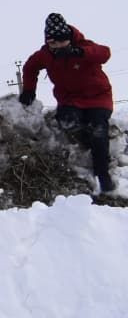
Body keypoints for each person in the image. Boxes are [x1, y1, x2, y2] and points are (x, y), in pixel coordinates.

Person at [19, 13, 116, 195]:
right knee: (67, 122)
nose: (60, 46)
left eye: (64, 42)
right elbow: (30, 67)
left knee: (98, 130)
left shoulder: (83, 46)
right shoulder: (45, 55)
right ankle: (88, 144)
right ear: (49, 42)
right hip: (70, 99)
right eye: (55, 43)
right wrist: (29, 90)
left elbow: (105, 53)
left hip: (97, 97)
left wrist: (81, 53)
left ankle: (103, 175)